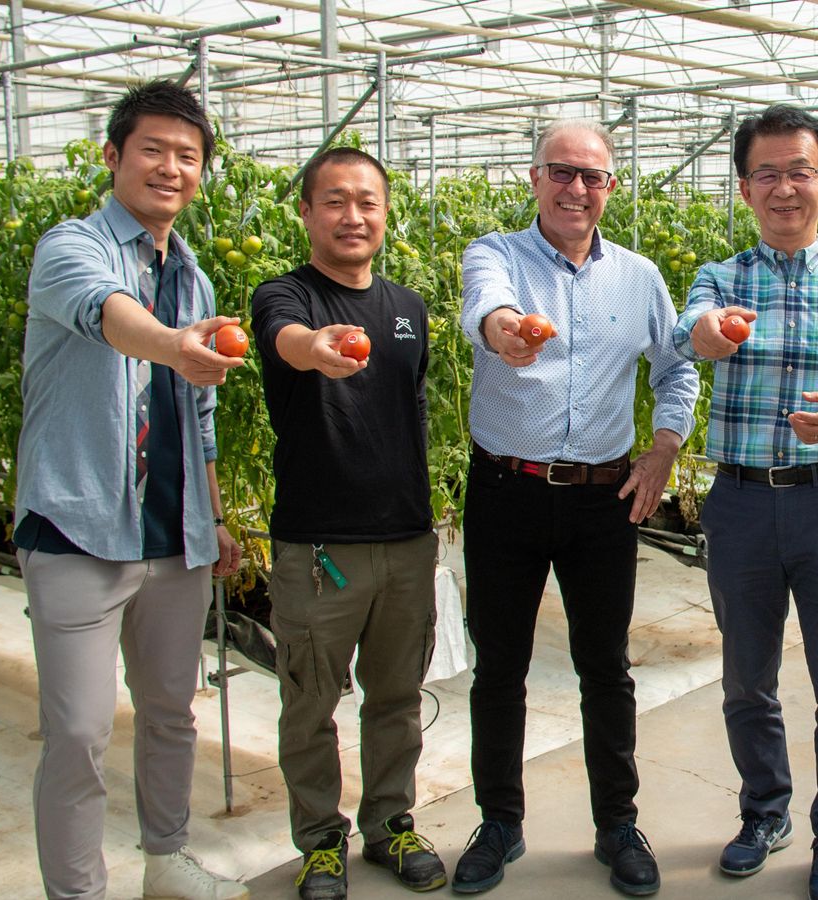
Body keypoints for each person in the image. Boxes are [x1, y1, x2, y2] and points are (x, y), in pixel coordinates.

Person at [671, 104, 818, 900]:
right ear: (744, 189)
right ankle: (765, 810)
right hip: (741, 503)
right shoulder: (723, 277)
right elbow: (689, 330)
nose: (784, 188)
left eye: (799, 171)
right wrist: (709, 333)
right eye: (766, 173)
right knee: (747, 677)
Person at [453, 119, 699, 898]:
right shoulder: (496, 254)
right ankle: (500, 822)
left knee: (606, 668)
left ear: (611, 189)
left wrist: (663, 448)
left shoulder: (639, 277)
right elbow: (485, 309)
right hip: (505, 489)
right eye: (562, 172)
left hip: (602, 498)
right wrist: (504, 336)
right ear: (534, 178)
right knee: (500, 668)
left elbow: (677, 368)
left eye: (592, 177)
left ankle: (617, 824)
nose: (577, 189)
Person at [15, 80, 248, 899]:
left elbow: (203, 415)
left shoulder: (195, 280)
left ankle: (166, 861)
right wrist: (172, 344)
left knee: (171, 714)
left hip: (173, 534)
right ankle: (76, 892)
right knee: (76, 731)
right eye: (153, 149)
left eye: (188, 156)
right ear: (114, 156)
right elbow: (105, 315)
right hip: (78, 526)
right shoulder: (68, 248)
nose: (171, 167)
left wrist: (214, 518)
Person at [250, 147, 446, 899]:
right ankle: (320, 842)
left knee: (396, 698)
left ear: (385, 212)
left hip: (404, 537)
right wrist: (317, 349)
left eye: (367, 200)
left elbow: (414, 407)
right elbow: (284, 339)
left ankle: (390, 825)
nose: (352, 215)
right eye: (334, 200)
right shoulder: (285, 296)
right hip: (319, 544)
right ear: (306, 212)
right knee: (310, 702)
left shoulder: (407, 308)